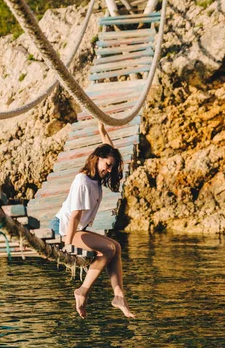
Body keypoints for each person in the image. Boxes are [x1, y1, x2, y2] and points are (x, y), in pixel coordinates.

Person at [50, 122, 135, 319]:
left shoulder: (96, 178)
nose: (109, 170)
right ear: (97, 159)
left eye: (111, 167)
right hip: (63, 229)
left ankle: (119, 296)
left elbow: (110, 153)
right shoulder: (83, 181)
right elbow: (75, 216)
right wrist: (67, 244)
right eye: (107, 165)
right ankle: (82, 291)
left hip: (76, 228)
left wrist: (103, 132)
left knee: (116, 247)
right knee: (107, 249)